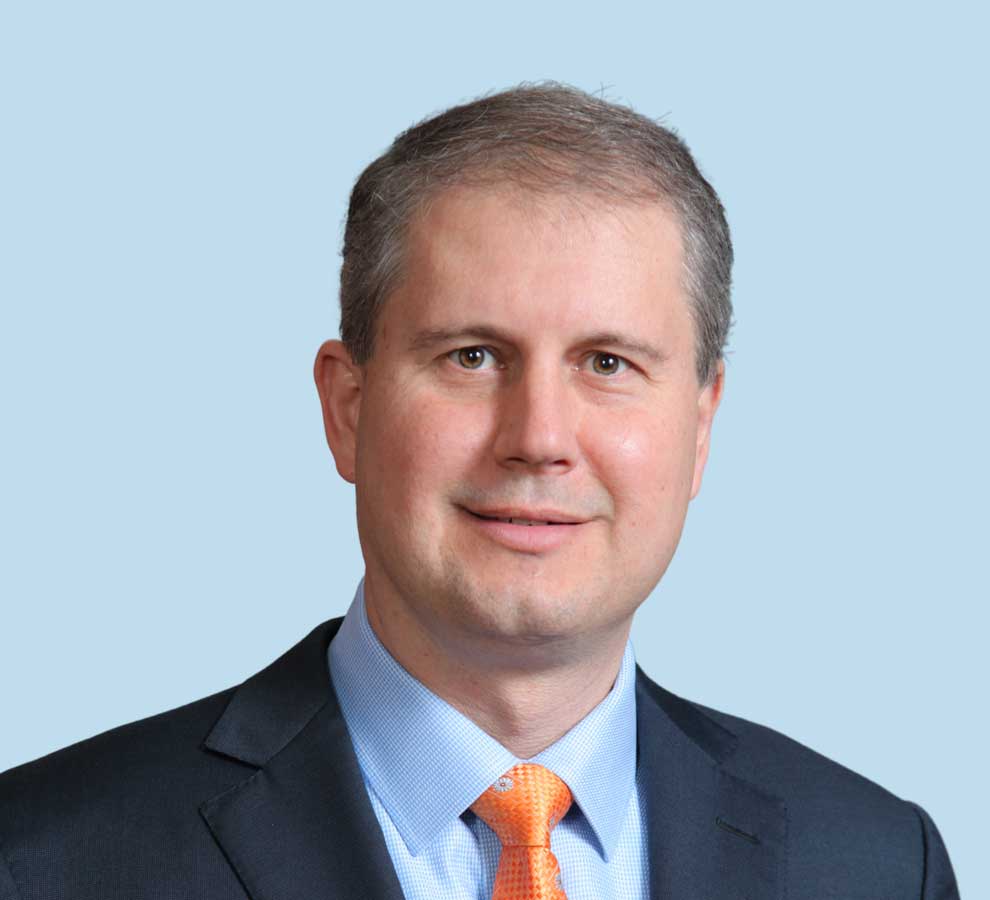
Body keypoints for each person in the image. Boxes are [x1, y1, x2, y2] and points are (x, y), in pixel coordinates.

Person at [0, 83, 959, 900]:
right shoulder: (44, 860)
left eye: (610, 363)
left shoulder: (876, 865)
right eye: (471, 356)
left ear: (700, 427)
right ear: (348, 406)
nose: (538, 438)